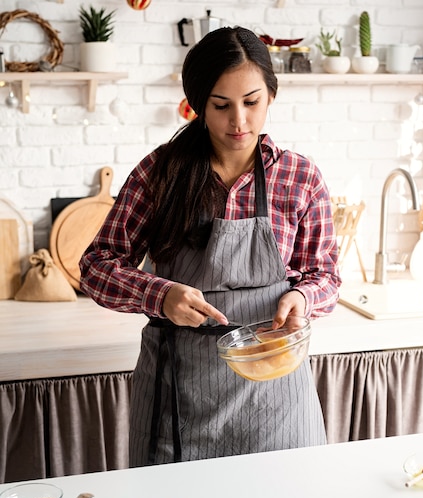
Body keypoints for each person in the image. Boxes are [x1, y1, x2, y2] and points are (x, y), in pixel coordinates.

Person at [79, 26, 341, 467]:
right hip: (179, 399)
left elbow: (326, 276)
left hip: (277, 401)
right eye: (221, 106)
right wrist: (160, 294)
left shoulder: (300, 177)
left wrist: (302, 297)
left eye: (252, 102)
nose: (238, 121)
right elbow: (96, 267)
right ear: (198, 105)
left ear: (271, 97)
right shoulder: (159, 173)